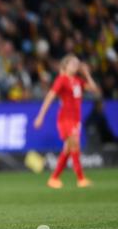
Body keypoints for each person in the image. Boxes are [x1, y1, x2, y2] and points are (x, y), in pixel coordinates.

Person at [34, 54, 99, 189]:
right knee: (75, 144)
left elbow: (95, 90)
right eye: (73, 64)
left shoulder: (77, 81)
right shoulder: (61, 80)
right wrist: (41, 116)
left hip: (76, 119)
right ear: (65, 65)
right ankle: (81, 179)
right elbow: (50, 97)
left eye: (77, 64)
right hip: (65, 118)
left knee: (68, 149)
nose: (76, 66)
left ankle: (54, 178)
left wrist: (86, 73)